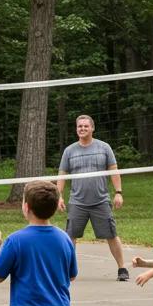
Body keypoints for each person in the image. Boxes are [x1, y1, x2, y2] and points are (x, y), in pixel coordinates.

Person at [56, 114, 128, 281]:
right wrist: (58, 196)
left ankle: (122, 268)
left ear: (92, 128)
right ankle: (68, 270)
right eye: (79, 126)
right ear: (76, 129)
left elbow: (114, 171)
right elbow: (62, 175)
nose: (82, 129)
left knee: (111, 234)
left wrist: (118, 192)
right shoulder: (69, 151)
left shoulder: (104, 148)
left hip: (101, 201)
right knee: (70, 237)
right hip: (77, 202)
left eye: (85, 126)